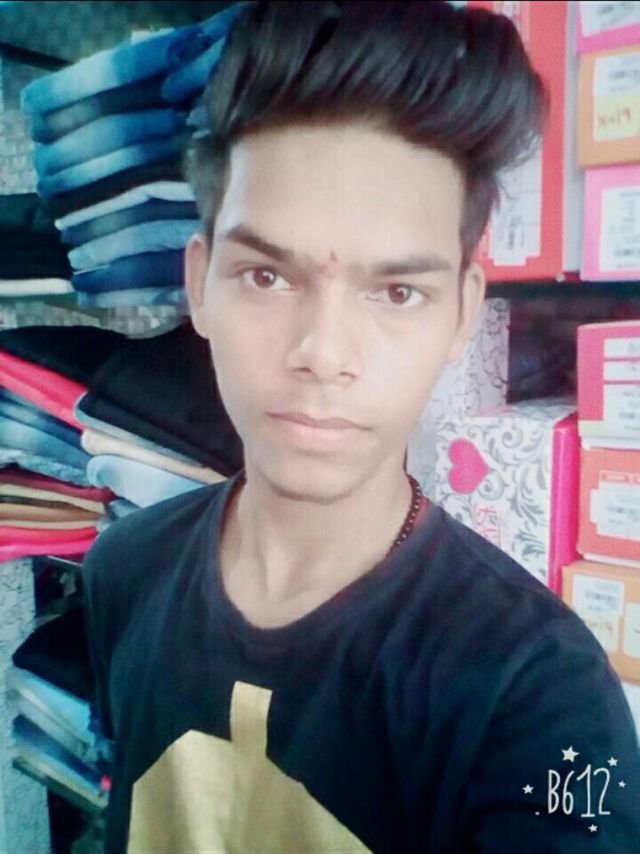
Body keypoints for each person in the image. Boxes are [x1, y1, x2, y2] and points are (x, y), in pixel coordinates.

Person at [82, 2, 640, 852]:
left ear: (462, 315)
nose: (322, 353)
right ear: (200, 285)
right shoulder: (123, 571)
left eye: (397, 292)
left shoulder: (539, 700)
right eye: (266, 276)